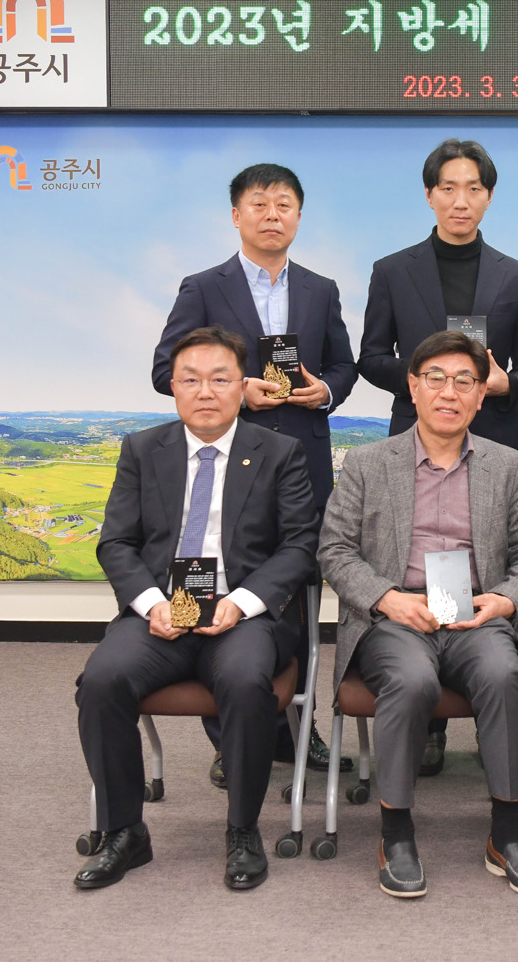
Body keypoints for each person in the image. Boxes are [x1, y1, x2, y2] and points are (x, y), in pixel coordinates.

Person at [74, 326, 319, 891]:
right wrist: (151, 604)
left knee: (245, 681)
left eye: (220, 379)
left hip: (242, 614)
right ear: (173, 387)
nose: (205, 392)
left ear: (242, 386)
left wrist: (241, 603)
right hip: (160, 612)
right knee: (102, 681)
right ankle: (124, 831)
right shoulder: (142, 450)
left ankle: (242, 829)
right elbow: (116, 543)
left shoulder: (279, 453)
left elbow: (300, 544)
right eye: (191, 380)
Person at [319, 330, 518, 898]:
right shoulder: (369, 463)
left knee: (504, 674)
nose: (450, 392)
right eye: (436, 379)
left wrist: (506, 598)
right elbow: (334, 549)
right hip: (397, 616)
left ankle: (506, 834)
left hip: (478, 615)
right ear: (413, 387)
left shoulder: (505, 465)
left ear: (481, 395)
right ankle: (396, 834)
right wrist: (386, 598)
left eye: (464, 381)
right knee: (411, 680)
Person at [151, 163, 356, 778]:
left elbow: (343, 367)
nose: (272, 215)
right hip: (226, 463)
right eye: (260, 204)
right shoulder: (203, 287)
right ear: (236, 216)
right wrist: (237, 388)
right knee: (222, 586)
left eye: (284, 204)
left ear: (299, 216)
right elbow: (165, 370)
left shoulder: (320, 289)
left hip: (301, 464)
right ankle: (230, 737)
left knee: (296, 598)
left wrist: (324, 390)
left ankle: (298, 730)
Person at [357, 138, 518, 777]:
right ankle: (428, 722)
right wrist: (428, 381)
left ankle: (491, 705)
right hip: (414, 437)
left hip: (494, 442)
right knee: (413, 561)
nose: (461, 201)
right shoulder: (392, 270)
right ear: (429, 194)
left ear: (488, 197)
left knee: (491, 567)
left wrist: (505, 384)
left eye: (474, 189)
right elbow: (370, 355)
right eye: (448, 188)